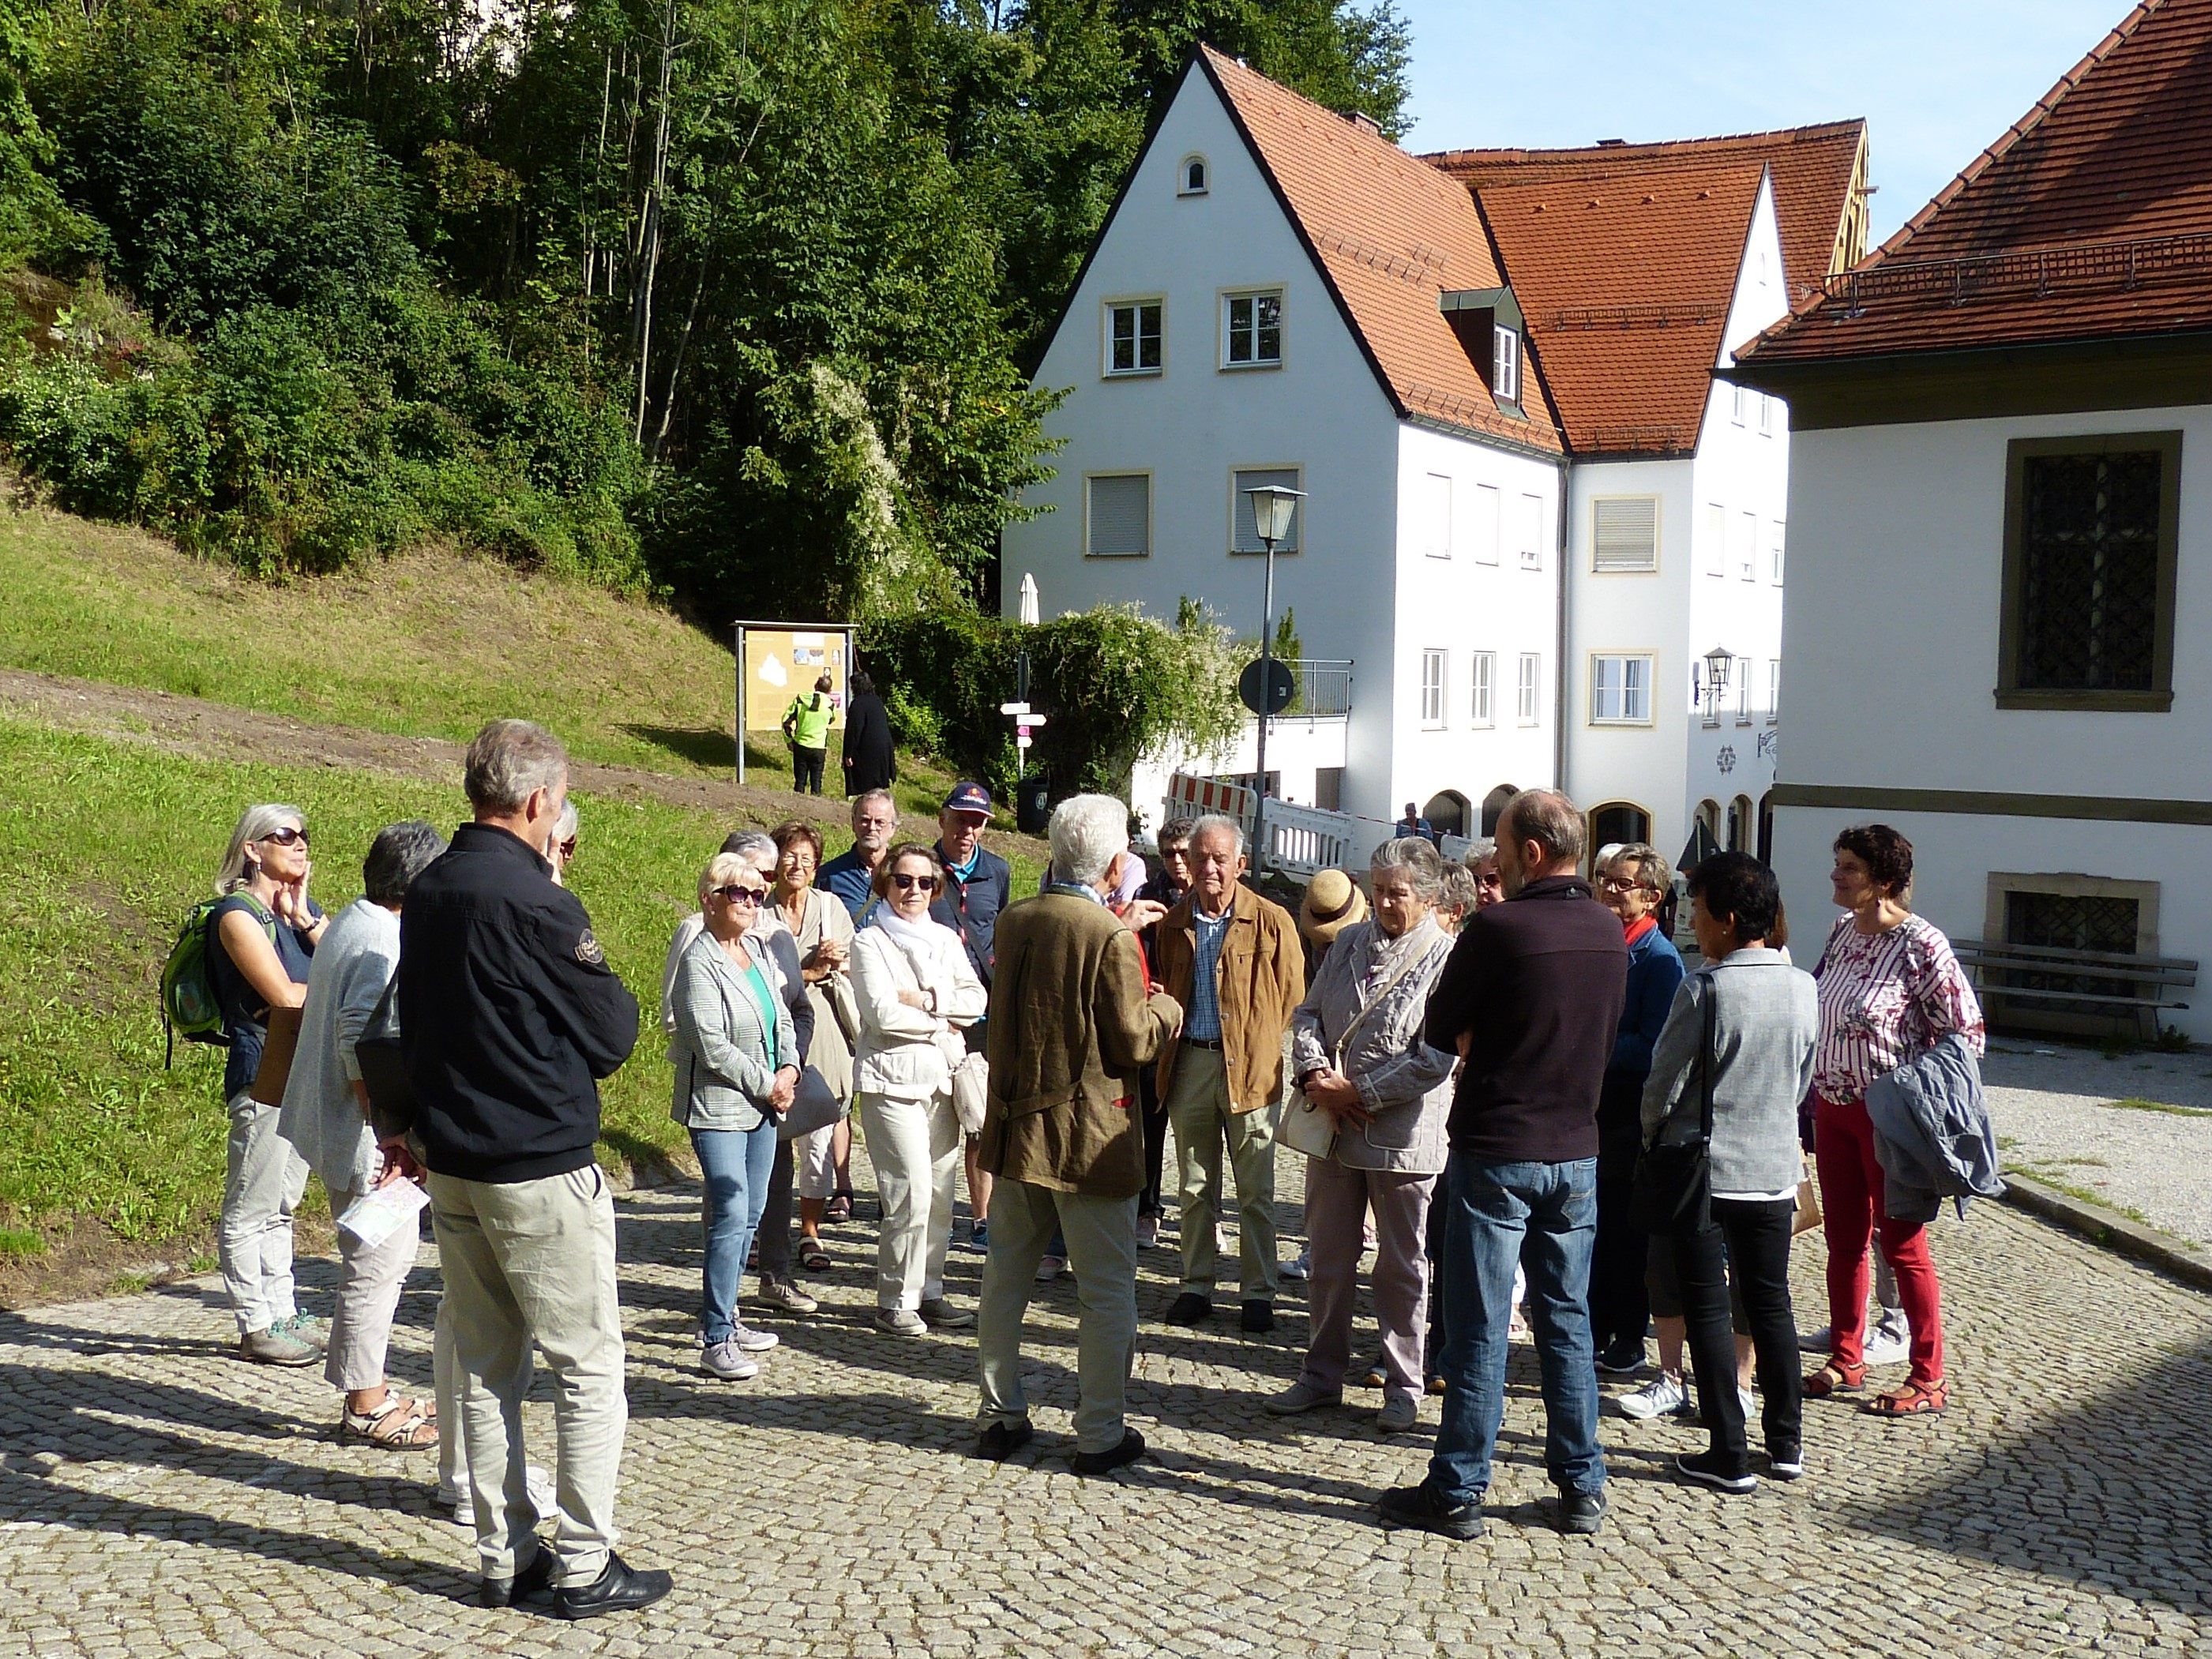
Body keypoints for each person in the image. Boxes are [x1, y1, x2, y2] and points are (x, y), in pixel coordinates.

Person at [401, 719, 667, 1619]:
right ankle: (585, 1561)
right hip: (539, 1164)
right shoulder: (537, 901)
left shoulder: (429, 886)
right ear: (539, 800)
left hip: (455, 1160)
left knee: (485, 1367)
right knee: (587, 1365)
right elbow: (613, 1032)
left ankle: (503, 1554)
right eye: (559, 801)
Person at [1379, 789, 1625, 1541]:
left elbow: (1438, 1026)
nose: (1495, 860)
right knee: (1567, 1321)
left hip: (1497, 1146)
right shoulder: (1607, 927)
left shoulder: (1497, 927)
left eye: (1502, 846)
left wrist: (1485, 1032)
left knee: (1480, 1325)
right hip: (1574, 1148)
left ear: (1532, 852)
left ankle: (1457, 1487)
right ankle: (1581, 1483)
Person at [972, 795, 1184, 1474]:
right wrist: (1167, 1007)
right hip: (1089, 1139)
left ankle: (999, 1414)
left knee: (1005, 1279)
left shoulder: (1015, 918)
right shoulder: (1109, 935)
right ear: (1117, 864)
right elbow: (1132, 1039)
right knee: (1106, 1291)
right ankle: (1098, 1432)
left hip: (1016, 1130)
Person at [1640, 852, 1819, 1491]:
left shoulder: (1705, 988)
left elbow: (1662, 1083)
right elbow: (1802, 1078)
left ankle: (1728, 1450)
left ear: (1728, 919)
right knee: (1770, 1301)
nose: (1693, 921)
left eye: (1698, 910)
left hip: (1705, 1169)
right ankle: (1787, 1441)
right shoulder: (1804, 985)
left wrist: (1651, 1136)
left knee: (1708, 1306)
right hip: (1772, 1165)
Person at [1271, 838, 1457, 1434]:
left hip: (1401, 1135)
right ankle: (1320, 1373)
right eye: (1377, 890)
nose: (1384, 902)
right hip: (1332, 1126)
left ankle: (1404, 1383)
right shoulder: (1349, 943)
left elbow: (1436, 1057)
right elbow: (1307, 1015)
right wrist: (1313, 1073)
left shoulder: (1446, 958)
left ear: (1426, 896)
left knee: (1402, 1266)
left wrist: (1361, 1092)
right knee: (1328, 1254)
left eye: (1396, 892)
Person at [1804, 824, 1985, 1418]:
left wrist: (1913, 1091)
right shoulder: (1840, 931)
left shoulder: (1920, 944)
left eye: (1849, 868)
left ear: (1883, 881)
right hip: (1832, 1109)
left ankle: (1928, 1375)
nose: (1835, 875)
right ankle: (1846, 1356)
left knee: (1902, 1244)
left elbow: (1967, 1034)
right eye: (1837, 863)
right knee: (1843, 1240)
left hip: (1889, 1118)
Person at [278, 820, 447, 1445]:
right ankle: (366, 1403)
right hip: (368, 1141)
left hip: (343, 1127)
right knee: (379, 1266)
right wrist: (389, 1134)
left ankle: (366, 1389)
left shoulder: (354, 918)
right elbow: (361, 1042)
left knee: (372, 1262)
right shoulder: (384, 940)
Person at [1154, 814, 1305, 1333]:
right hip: (1191, 1063)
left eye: (1219, 858)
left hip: (1251, 1067)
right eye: (1199, 858)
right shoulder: (1174, 923)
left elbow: (1293, 997)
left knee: (1255, 1190)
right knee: (1195, 1185)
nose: (1208, 868)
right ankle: (1196, 1285)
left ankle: (1258, 1293)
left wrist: (1255, 1040)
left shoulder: (1271, 920)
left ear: (1240, 864)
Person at [662, 831, 820, 1316]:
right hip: (720, 1105)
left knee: (751, 1213)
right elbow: (710, 1044)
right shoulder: (699, 956)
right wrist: (769, 1083)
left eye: (758, 893)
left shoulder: (759, 950)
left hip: (766, 1106)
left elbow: (784, 1015)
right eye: (739, 893)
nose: (752, 902)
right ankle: (716, 1327)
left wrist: (790, 1068)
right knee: (730, 1210)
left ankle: (730, 1314)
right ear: (709, 898)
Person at [850, 843, 988, 1334]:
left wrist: (928, 999)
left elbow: (976, 1001)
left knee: (942, 1194)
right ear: (885, 883)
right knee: (910, 1191)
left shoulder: (946, 939)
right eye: (903, 881)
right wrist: (940, 1022)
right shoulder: (869, 942)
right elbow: (881, 1013)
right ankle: (895, 1298)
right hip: (891, 1082)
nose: (914, 890)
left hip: (942, 1081)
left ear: (936, 889)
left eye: (925, 882)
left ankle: (929, 1290)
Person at [207, 804, 328, 1366]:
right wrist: (340, 993)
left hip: (303, 1072)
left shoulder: (300, 913)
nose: (300, 844)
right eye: (285, 835)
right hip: (262, 1074)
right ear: (253, 849)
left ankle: (283, 1311)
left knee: (283, 1202)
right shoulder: (237, 916)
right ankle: (254, 1322)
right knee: (250, 1205)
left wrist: (306, 919)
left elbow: (359, 963)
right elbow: (284, 996)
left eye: (304, 835)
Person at [1590, 846, 1685, 1376]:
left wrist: (1591, 1044)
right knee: (1594, 1224)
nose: (1607, 888)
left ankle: (1628, 1334)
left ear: (1651, 896)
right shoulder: (1601, 942)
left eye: (1621, 882)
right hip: (1594, 1106)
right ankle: (1594, 1326)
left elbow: (1655, 1047)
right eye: (1604, 878)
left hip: (1629, 1112)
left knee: (1626, 1231)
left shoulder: (1658, 959)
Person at [771, 820, 857, 1272]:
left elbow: (852, 962)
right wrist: (809, 971)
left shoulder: (831, 907)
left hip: (823, 1026)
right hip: (773, 1026)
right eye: (790, 855)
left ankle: (810, 1231)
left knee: (819, 1132)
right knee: (771, 1133)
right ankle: (765, 1230)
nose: (797, 865)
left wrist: (836, 961)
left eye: (807, 858)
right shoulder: (760, 909)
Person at [931, 782, 1012, 1251]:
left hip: (984, 1012)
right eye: (961, 819)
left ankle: (982, 1218)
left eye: (977, 822)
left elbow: (1000, 933)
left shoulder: (997, 871)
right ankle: (931, 1209)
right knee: (937, 1117)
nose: (968, 830)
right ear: (943, 818)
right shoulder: (920, 870)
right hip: (935, 1013)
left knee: (980, 1116)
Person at [1132, 820, 1195, 1249]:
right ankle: (1147, 1208)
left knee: (1200, 1129)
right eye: (1169, 853)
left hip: (1201, 1022)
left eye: (1184, 853)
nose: (1177, 861)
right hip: (1156, 1019)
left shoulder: (1211, 896)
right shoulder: (1148, 896)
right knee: (1150, 1124)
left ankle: (1205, 1213)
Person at [821, 789, 899, 926]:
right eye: (865, 820)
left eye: (880, 822)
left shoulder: (904, 877)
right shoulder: (829, 875)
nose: (871, 827)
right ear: (853, 823)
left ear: (893, 828)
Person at [840, 670, 896, 796]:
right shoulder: (877, 701)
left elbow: (854, 730)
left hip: (868, 749)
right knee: (878, 786)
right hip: (884, 748)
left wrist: (848, 754)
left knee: (866, 785)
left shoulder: (858, 704)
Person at [782, 673, 836, 795]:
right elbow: (831, 720)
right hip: (819, 747)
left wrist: (789, 740)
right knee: (816, 783)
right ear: (829, 691)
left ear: (815, 686)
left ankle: (797, 804)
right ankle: (816, 804)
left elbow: (786, 721)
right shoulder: (830, 706)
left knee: (800, 782)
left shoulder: (801, 699)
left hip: (801, 745)